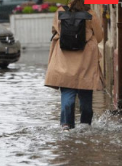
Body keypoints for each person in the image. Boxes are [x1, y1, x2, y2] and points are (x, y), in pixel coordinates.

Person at [44, 0, 104, 131]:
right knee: (85, 91)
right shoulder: (91, 13)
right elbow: (99, 36)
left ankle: (66, 125)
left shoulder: (60, 12)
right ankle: (85, 124)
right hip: (85, 59)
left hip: (64, 57)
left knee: (67, 89)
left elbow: (55, 30)